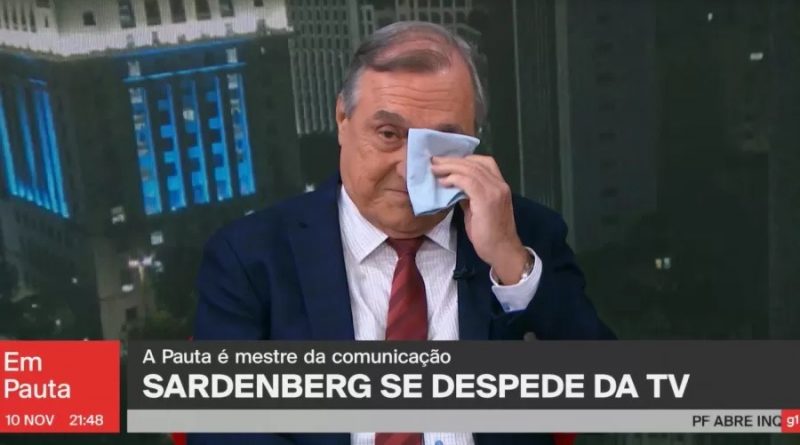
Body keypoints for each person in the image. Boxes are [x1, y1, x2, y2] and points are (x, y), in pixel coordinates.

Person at [190, 21, 613, 445]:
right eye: (389, 135)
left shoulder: (527, 233)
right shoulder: (250, 255)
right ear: (342, 119)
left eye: (440, 143)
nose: (410, 169)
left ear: (473, 141)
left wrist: (509, 260)